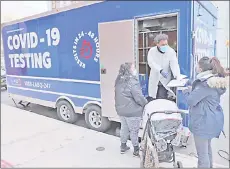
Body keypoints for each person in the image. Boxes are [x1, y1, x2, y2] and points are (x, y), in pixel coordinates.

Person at [183, 56, 228, 168]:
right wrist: (192, 90)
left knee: (202, 156)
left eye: (198, 65)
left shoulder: (204, 84)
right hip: (211, 120)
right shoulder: (214, 81)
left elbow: (191, 100)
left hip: (202, 122)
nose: (196, 67)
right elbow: (204, 96)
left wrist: (186, 92)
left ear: (201, 68)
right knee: (207, 150)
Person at [115, 62, 148, 157]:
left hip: (121, 111)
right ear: (129, 70)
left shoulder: (119, 80)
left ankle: (123, 146)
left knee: (124, 129)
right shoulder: (132, 82)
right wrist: (146, 103)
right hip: (132, 112)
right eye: (133, 68)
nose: (135, 70)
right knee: (134, 131)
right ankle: (136, 150)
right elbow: (139, 98)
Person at [147, 33, 180, 99]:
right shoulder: (152, 51)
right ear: (157, 44)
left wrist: (177, 76)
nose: (165, 46)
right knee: (153, 97)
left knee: (162, 97)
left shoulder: (171, 51)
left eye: (166, 44)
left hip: (165, 80)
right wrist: (160, 70)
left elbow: (174, 64)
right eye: (163, 45)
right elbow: (151, 63)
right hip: (155, 78)